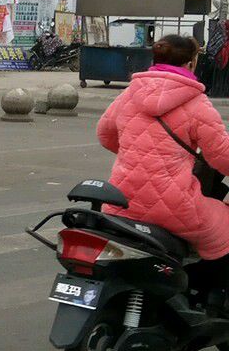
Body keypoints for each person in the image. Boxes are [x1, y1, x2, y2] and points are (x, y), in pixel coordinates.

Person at [96, 34, 229, 304]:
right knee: (224, 225)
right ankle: (213, 295)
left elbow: (106, 135)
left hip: (118, 200)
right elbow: (222, 158)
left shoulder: (129, 95)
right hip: (174, 205)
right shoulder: (197, 104)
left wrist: (137, 155)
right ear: (191, 64)